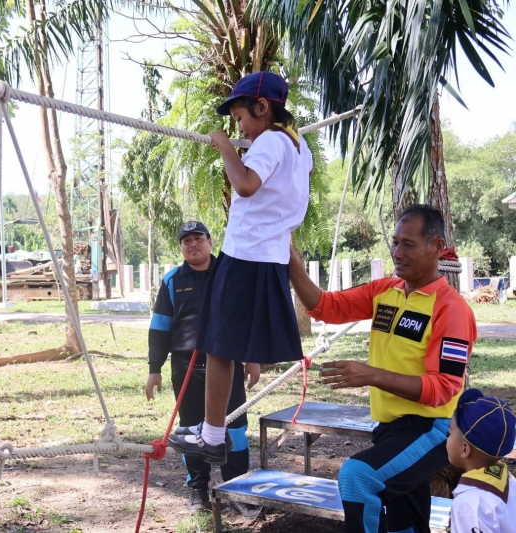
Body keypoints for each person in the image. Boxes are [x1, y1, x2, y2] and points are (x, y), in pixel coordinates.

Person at [288, 205, 477, 533]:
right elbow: (325, 306)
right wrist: (291, 263)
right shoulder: (384, 291)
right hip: (391, 428)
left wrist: (371, 375)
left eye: (409, 244)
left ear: (437, 247)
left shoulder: (451, 309)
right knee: (406, 524)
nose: (397, 253)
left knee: (358, 477)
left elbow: (443, 388)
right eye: (395, 242)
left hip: (433, 429)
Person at [168, 71, 312, 465]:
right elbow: (296, 181)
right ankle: (212, 433)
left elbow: (246, 184)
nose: (239, 129)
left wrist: (225, 148)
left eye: (240, 118)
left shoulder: (270, 141)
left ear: (262, 108)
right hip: (270, 259)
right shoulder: (300, 146)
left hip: (245, 256)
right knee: (227, 344)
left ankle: (212, 436)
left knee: (218, 346)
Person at [145, 221, 251, 513]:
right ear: (181, 247)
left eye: (198, 238)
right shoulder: (172, 280)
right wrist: (155, 368)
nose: (193, 244)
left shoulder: (227, 274)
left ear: (210, 240)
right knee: (190, 432)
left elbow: (245, 319)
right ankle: (198, 491)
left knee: (235, 429)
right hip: (186, 368)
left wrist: (252, 359)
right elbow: (160, 327)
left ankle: (237, 491)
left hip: (228, 364)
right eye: (186, 241)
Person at [446, 388, 516, 533]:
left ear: (465, 449)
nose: (446, 439)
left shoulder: (469, 505)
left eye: (450, 433)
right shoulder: (509, 483)